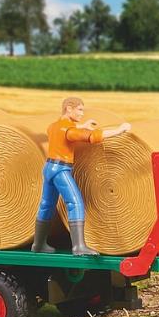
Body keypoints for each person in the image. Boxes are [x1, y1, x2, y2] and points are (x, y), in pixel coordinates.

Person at [32, 97, 132, 256]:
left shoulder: (54, 126)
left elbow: (65, 129)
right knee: (75, 202)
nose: (82, 113)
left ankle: (38, 244)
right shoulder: (70, 131)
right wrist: (119, 130)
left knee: (46, 205)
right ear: (69, 109)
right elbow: (92, 137)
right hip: (61, 170)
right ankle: (79, 246)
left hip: (49, 167)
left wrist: (82, 125)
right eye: (79, 109)